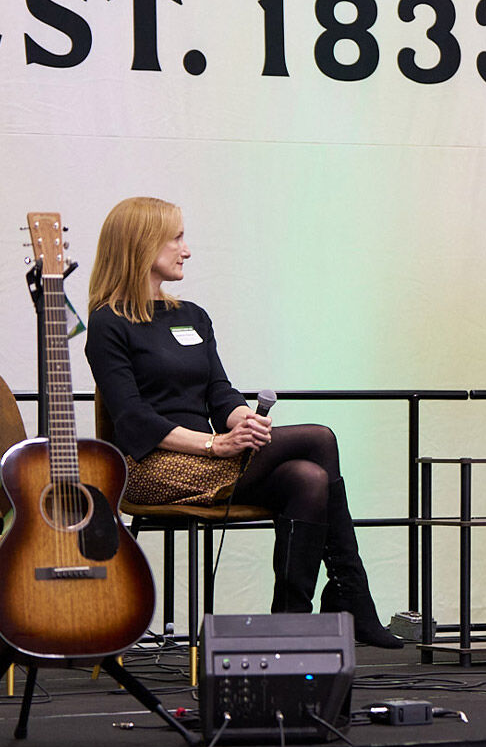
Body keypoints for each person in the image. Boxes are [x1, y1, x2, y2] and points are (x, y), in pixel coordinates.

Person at [84, 197, 403, 648]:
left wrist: (242, 422)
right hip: (153, 467)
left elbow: (220, 392)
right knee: (319, 439)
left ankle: (289, 628)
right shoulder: (108, 323)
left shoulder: (192, 316)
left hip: (216, 462)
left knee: (307, 478)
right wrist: (218, 445)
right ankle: (352, 596)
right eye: (176, 238)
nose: (186, 249)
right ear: (141, 244)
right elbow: (133, 419)